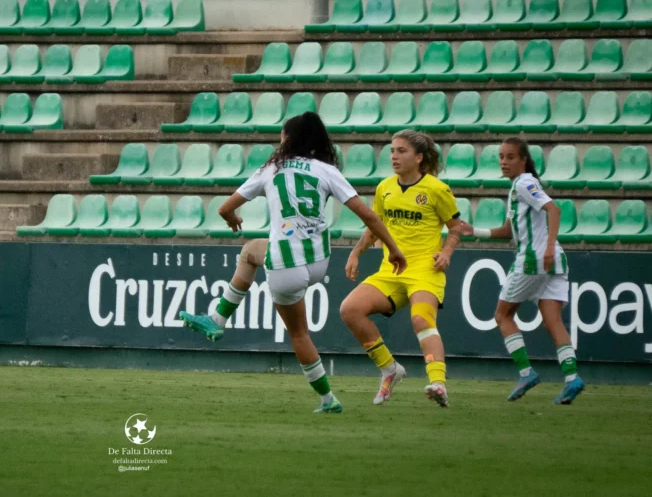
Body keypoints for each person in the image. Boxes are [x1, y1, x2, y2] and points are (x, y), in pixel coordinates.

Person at [180, 112, 407, 414]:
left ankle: (220, 321)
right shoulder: (326, 169)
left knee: (298, 331)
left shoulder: (272, 167)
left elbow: (224, 208)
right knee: (253, 252)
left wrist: (232, 217)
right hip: (317, 262)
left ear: (288, 139)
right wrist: (392, 248)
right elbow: (368, 215)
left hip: (286, 266)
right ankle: (218, 320)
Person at [340, 130, 465, 408]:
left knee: (421, 319)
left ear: (419, 157)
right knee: (350, 309)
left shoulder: (436, 189)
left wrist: (446, 252)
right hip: (392, 271)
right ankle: (389, 369)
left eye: (401, 151)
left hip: (424, 268)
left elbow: (456, 227)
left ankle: (438, 384)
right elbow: (375, 227)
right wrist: (356, 252)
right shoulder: (385, 188)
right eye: (392, 151)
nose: (394, 156)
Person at [460, 138, 584, 404]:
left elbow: (554, 209)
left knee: (502, 315)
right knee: (553, 321)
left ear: (523, 160)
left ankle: (526, 372)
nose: (504, 162)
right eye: (501, 157)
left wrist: (548, 246)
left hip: (533, 261)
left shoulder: (524, 183)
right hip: (554, 262)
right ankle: (572, 377)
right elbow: (508, 231)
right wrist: (475, 231)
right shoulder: (518, 188)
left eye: (510, 157)